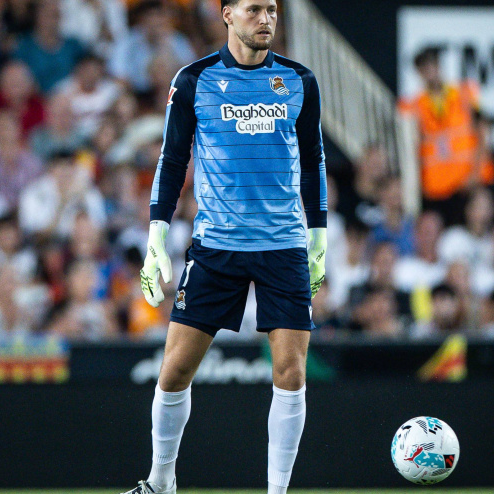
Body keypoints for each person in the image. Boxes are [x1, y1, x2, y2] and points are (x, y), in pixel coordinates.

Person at [123, 1, 326, 493]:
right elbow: (172, 163)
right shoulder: (194, 80)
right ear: (228, 14)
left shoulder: (300, 81)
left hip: (282, 247)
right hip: (216, 247)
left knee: (291, 371)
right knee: (173, 371)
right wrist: (156, 236)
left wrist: (318, 235)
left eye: (273, 10)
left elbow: (313, 159)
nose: (267, 19)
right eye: (255, 9)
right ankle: (161, 482)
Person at [398, 46, 494, 226]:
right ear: (419, 73)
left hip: (471, 180)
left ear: (439, 67)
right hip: (439, 187)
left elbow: (483, 131)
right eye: (424, 69)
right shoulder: (413, 106)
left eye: (432, 66)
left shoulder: (465, 94)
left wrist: (474, 175)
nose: (430, 73)